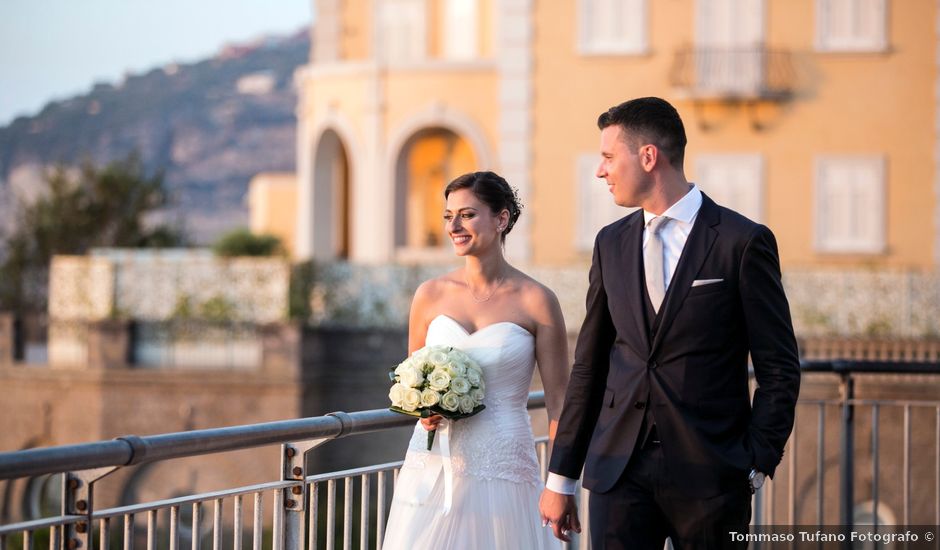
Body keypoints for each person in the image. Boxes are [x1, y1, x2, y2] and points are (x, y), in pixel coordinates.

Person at [539, 97, 801, 549]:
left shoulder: (741, 242)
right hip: (617, 473)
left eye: (607, 157)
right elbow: (590, 366)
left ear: (648, 156)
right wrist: (561, 476)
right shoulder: (610, 244)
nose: (600, 172)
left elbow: (780, 367)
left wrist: (755, 463)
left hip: (712, 476)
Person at [382, 171, 569, 550]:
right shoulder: (429, 295)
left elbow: (560, 403)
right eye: (448, 216)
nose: (454, 225)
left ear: (501, 219)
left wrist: (560, 483)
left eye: (467, 214)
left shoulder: (537, 300)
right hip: (435, 460)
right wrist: (423, 410)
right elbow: (411, 380)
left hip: (505, 461)